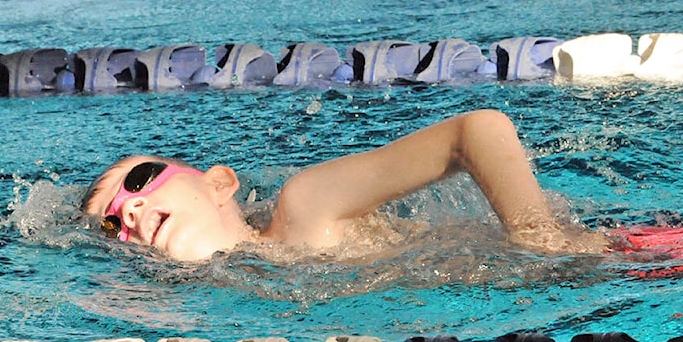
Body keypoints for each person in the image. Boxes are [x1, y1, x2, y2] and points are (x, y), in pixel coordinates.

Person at [82, 109, 610, 261]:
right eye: (112, 225)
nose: (130, 211)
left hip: (619, 256)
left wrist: (541, 239)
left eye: (140, 181)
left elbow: (479, 131)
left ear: (219, 184)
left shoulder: (305, 206)